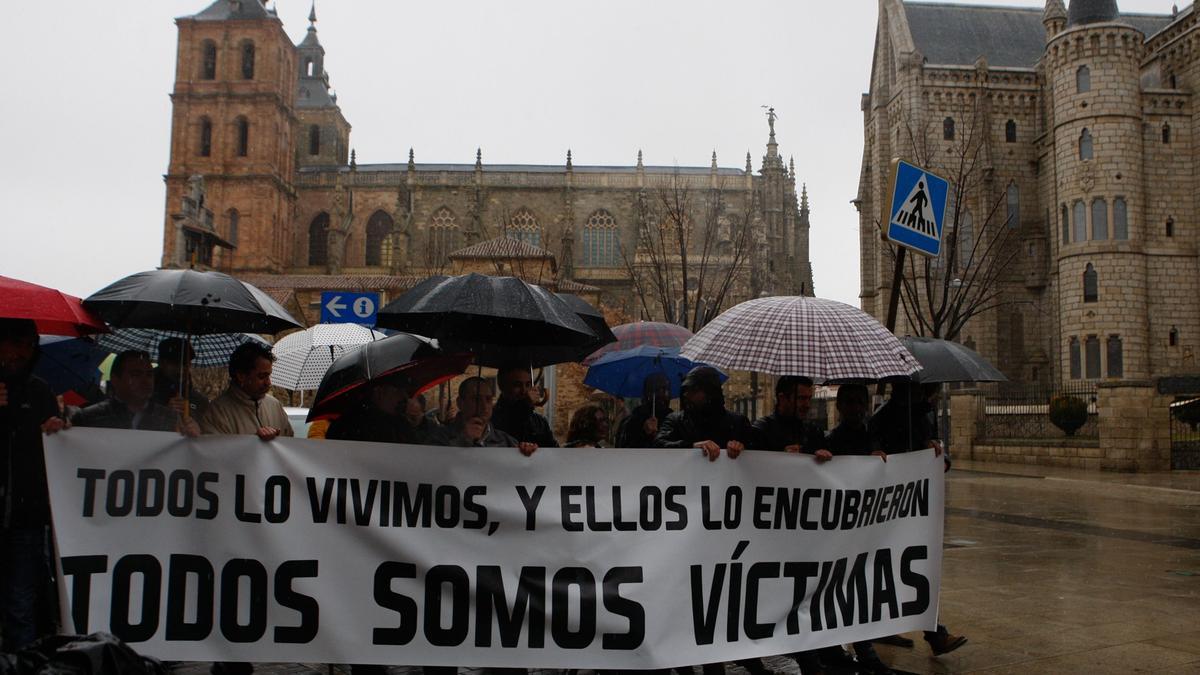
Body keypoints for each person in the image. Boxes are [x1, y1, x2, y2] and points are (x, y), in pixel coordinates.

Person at [867, 379, 967, 658]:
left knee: (915, 569)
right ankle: (925, 632)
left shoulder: (922, 416)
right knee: (893, 569)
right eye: (927, 390)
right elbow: (872, 452)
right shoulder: (883, 418)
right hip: (886, 510)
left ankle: (934, 633)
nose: (931, 396)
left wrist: (939, 457)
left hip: (913, 507)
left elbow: (933, 446)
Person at [0, 318, 66, 652]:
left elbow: (52, 447)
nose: (20, 352)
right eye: (13, 342)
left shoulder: (39, 391)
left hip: (26, 517)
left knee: (20, 604)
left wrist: (57, 430)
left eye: (28, 344)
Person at [72, 350, 199, 436]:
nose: (145, 381)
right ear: (115, 379)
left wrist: (194, 437)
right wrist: (56, 432)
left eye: (149, 375)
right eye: (136, 374)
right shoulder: (87, 418)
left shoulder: (171, 420)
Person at [655, 366, 757, 460]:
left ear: (710, 393)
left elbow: (756, 454)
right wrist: (691, 446)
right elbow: (658, 445)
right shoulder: (676, 421)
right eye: (685, 390)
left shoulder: (737, 422)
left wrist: (741, 447)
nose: (686, 395)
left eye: (694, 390)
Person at [199, 342, 293, 440]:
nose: (268, 382)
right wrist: (253, 442)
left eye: (269, 375)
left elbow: (289, 445)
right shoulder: (217, 412)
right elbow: (217, 452)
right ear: (241, 376)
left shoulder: (274, 405)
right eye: (261, 376)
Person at [429, 377, 536, 455]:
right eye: (476, 399)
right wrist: (463, 441)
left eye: (488, 399)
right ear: (460, 403)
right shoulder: (438, 437)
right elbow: (431, 466)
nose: (484, 406)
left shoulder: (506, 441)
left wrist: (526, 454)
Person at [752, 375, 826, 454]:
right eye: (801, 398)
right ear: (782, 398)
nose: (807, 405)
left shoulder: (814, 432)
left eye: (809, 398)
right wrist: (782, 455)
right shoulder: (763, 430)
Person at [490, 363, 557, 448]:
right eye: (517, 385)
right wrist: (525, 406)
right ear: (502, 386)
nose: (524, 391)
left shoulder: (540, 422)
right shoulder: (491, 419)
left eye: (528, 385)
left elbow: (553, 451)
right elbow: (512, 427)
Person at [325, 381, 411, 444]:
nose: (404, 397)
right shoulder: (350, 424)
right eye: (397, 391)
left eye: (404, 391)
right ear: (378, 392)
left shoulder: (400, 421)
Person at [153, 337, 209, 419]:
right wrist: (164, 413)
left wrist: (190, 414)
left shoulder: (200, 401)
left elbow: (206, 427)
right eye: (175, 363)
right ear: (161, 362)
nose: (181, 369)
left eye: (185, 363)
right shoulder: (145, 395)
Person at [614, 372, 671, 449]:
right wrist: (643, 433)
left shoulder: (674, 420)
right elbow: (622, 451)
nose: (663, 394)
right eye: (658, 390)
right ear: (647, 394)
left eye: (666, 389)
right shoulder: (631, 421)